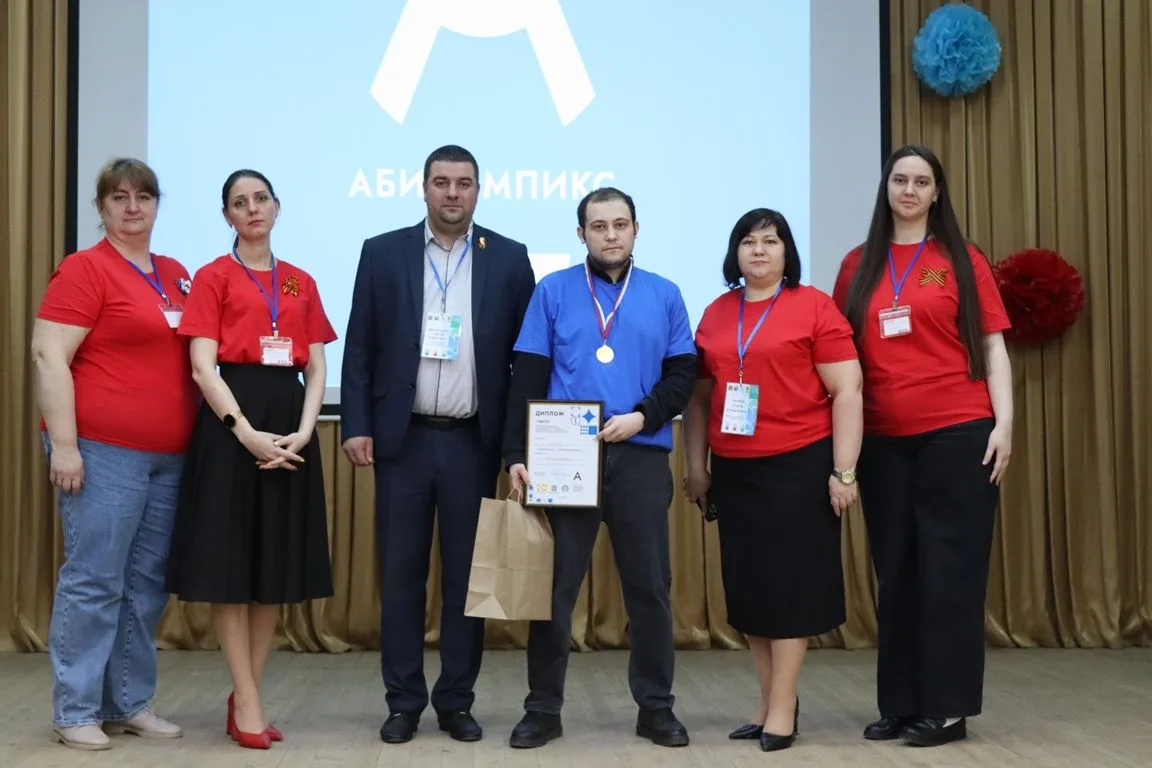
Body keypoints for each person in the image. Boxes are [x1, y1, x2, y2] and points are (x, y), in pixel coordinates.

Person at [340, 145, 536, 745]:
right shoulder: (382, 252)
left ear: (479, 190)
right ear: (423, 188)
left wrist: (514, 447)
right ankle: (403, 702)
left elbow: (525, 362)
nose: (453, 193)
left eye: (464, 183)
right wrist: (355, 424)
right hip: (402, 443)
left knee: (466, 582)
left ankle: (455, 701)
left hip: (471, 444)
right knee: (401, 578)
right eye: (442, 182)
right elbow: (360, 346)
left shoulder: (509, 258)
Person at [502, 186, 697, 749]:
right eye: (598, 226)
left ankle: (656, 707)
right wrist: (516, 455)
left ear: (636, 229)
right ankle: (542, 709)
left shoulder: (665, 294)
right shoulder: (553, 291)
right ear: (581, 234)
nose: (610, 235)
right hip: (565, 455)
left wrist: (643, 416)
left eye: (620, 224)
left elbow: (682, 376)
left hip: (640, 455)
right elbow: (527, 375)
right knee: (554, 590)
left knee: (650, 590)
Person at [832, 145, 1013, 748]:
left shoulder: (961, 259)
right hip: (882, 440)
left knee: (950, 573)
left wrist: (1005, 425)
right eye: (899, 180)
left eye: (921, 181)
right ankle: (902, 704)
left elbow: (993, 346)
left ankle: (948, 707)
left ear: (937, 193)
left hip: (957, 431)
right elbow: (839, 357)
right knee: (898, 573)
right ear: (885, 188)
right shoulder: (857, 264)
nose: (909, 190)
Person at [164, 169, 337, 750]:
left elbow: (317, 365)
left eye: (261, 199)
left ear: (277, 207)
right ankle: (249, 702)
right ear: (227, 216)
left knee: (272, 571)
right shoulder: (213, 277)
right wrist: (244, 432)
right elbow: (201, 367)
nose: (252, 209)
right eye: (240, 203)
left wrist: (305, 431)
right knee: (232, 571)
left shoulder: (298, 281)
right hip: (231, 424)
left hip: (289, 425)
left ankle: (246, 696)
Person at [30, 157, 196, 750]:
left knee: (145, 586)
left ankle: (126, 702)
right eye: (119, 197)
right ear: (101, 208)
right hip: (101, 452)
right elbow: (48, 355)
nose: (133, 207)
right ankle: (75, 709)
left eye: (143, 197)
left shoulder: (175, 274)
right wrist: (65, 445)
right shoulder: (85, 269)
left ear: (156, 205)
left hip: (169, 458)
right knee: (95, 580)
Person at [682, 208, 863, 752]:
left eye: (770, 240)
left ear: (787, 252)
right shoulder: (717, 312)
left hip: (799, 466)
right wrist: (696, 467)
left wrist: (844, 470)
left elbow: (848, 392)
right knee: (752, 594)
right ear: (734, 253)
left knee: (789, 594)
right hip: (735, 471)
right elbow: (699, 399)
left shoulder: (814, 306)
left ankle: (784, 709)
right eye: (748, 241)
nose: (758, 250)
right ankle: (767, 704)